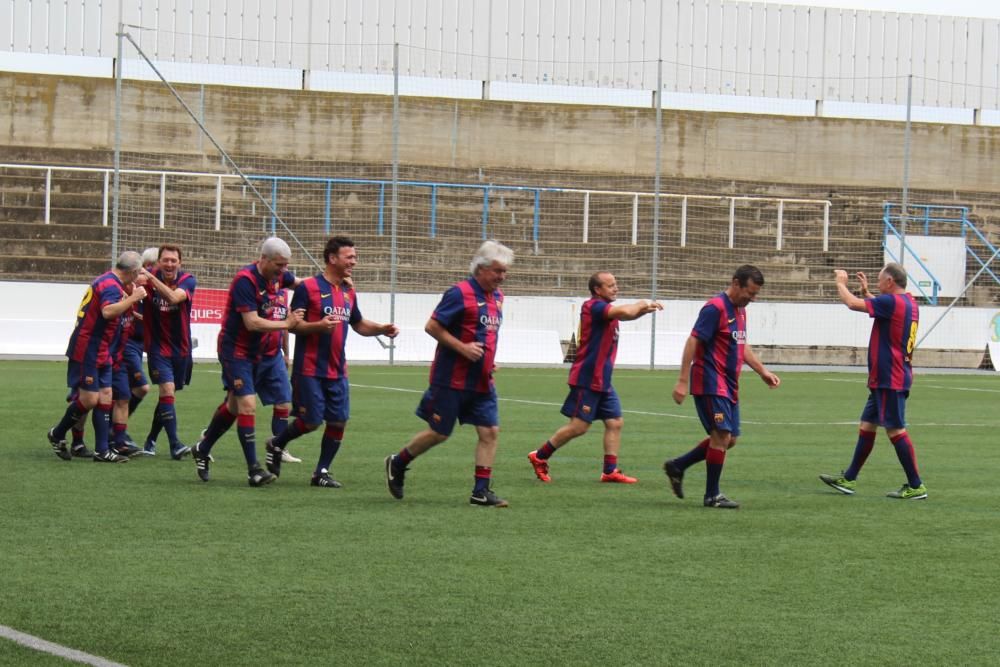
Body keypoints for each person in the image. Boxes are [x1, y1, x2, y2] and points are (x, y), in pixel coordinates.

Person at [384, 239, 514, 507]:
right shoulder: (459, 293)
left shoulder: (498, 298)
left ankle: (481, 491)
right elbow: (432, 326)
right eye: (497, 271)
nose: (502, 277)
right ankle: (397, 462)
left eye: (505, 271)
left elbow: (487, 335)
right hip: (451, 378)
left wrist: (489, 360)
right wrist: (463, 349)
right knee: (439, 433)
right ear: (481, 268)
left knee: (490, 431)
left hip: (482, 380)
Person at [264, 236, 399, 487]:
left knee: (338, 420)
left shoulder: (348, 291)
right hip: (309, 368)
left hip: (337, 369)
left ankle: (321, 472)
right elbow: (294, 326)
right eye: (350, 257)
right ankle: (277, 443)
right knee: (312, 421)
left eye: (354, 257)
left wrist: (381, 328)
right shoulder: (309, 288)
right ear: (332, 258)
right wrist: (317, 326)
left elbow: (357, 323)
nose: (354, 262)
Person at [662, 264, 781, 509]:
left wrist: (763, 371)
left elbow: (741, 344)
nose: (753, 298)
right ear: (736, 283)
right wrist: (682, 380)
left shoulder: (740, 310)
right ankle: (712, 495)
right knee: (721, 436)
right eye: (750, 292)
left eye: (756, 294)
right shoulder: (714, 308)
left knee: (731, 439)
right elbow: (693, 340)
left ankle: (678, 465)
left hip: (728, 383)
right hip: (710, 381)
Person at [528, 271, 662, 484]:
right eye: (610, 285)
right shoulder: (594, 307)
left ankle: (609, 471)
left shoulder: (607, 310)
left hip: (602, 379)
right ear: (597, 290)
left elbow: (628, 314)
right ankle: (539, 456)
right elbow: (625, 312)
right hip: (588, 378)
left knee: (615, 422)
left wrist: (644, 310)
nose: (615, 288)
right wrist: (642, 303)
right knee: (579, 427)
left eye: (615, 284)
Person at [191, 237, 303, 487]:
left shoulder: (279, 276)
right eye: (279, 265)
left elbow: (303, 285)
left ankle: (203, 446)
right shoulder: (246, 280)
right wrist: (287, 323)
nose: (284, 271)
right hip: (238, 352)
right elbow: (251, 323)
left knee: (241, 405)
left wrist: (332, 285)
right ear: (263, 259)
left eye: (286, 266)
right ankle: (254, 469)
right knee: (247, 404)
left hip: (268, 352)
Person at [820, 264, 926, 500]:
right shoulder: (908, 303)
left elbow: (852, 304)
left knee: (896, 429)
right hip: (889, 376)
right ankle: (849, 478)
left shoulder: (891, 303)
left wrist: (840, 283)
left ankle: (916, 485)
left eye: (879, 281)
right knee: (867, 425)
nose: (878, 285)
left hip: (890, 377)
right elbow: (883, 310)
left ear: (890, 282)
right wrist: (868, 292)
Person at [46, 251, 147, 463]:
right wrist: (133, 299)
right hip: (88, 348)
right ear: (134, 272)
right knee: (89, 399)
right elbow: (108, 312)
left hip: (102, 348)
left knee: (106, 396)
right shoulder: (111, 284)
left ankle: (102, 450)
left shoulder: (107, 280)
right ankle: (57, 434)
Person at [140, 244, 196, 459]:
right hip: (157, 348)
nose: (169, 264)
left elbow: (174, 298)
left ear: (180, 263)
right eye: (166, 260)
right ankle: (175, 444)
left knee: (168, 397)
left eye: (173, 260)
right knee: (167, 390)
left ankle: (151, 440)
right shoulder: (146, 276)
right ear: (159, 262)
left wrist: (151, 280)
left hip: (181, 349)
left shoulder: (188, 280)